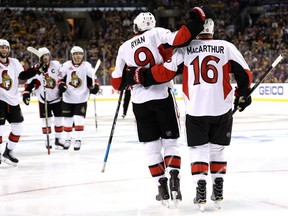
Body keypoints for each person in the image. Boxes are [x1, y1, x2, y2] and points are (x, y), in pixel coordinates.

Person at [125, 18, 253, 211]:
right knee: (217, 149)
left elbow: (166, 72)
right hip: (222, 109)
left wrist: (139, 77)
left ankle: (200, 187)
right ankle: (218, 187)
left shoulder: (185, 49)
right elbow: (245, 73)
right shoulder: (226, 47)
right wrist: (242, 95)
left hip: (196, 110)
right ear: (212, 29)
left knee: (198, 150)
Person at [110, 7, 214, 207]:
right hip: (163, 96)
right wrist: (197, 21)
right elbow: (180, 38)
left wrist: (132, 76)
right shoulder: (158, 33)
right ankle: (174, 175)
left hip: (140, 103)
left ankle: (161, 185)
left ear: (135, 27)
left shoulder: (124, 47)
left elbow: (116, 83)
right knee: (171, 142)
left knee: (151, 147)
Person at [0, 39, 46, 166]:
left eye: (6, 47)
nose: (4, 49)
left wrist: (36, 69)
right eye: (1, 47)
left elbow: (23, 75)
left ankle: (8, 152)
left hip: (13, 100)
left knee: (18, 127)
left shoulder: (14, 62)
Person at [58, 46, 100, 151]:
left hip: (82, 98)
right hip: (68, 97)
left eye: (80, 54)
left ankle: (78, 140)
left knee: (79, 119)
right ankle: (67, 139)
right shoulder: (66, 65)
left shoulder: (87, 66)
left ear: (83, 55)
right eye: (76, 54)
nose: (78, 56)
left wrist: (95, 87)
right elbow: (60, 79)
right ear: (72, 55)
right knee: (67, 120)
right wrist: (61, 85)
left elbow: (93, 80)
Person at [22, 47, 65, 149]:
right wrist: (26, 93)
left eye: (47, 55)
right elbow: (30, 83)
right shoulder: (36, 69)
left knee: (59, 119)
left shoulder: (57, 65)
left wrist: (63, 86)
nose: (46, 57)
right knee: (46, 120)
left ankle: (58, 139)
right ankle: (47, 139)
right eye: (43, 56)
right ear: (40, 57)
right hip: (43, 99)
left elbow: (62, 77)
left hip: (57, 98)